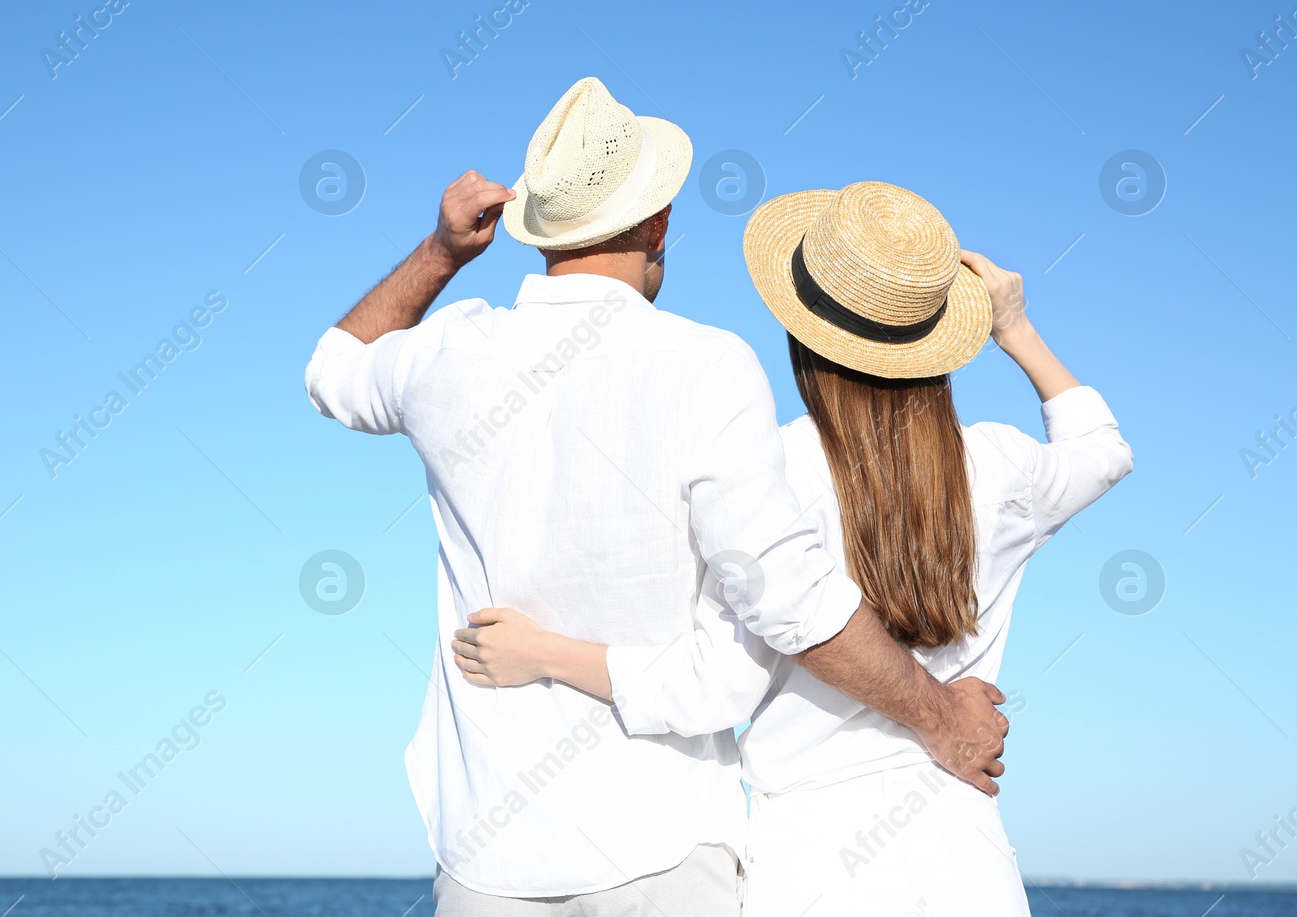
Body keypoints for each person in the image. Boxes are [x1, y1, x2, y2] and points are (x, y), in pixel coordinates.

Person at [305, 83, 1008, 915]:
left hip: (490, 855)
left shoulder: (447, 355)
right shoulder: (706, 365)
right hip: (664, 849)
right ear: (659, 222)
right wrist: (938, 716)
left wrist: (441, 252)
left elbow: (331, 370)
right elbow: (789, 602)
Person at [452, 182, 1133, 916]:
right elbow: (1103, 448)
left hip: (810, 860)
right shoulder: (1000, 467)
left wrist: (546, 653)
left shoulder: (768, 473)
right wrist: (1017, 328)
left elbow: (708, 682)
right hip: (965, 852)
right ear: (935, 341)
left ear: (803, 331)